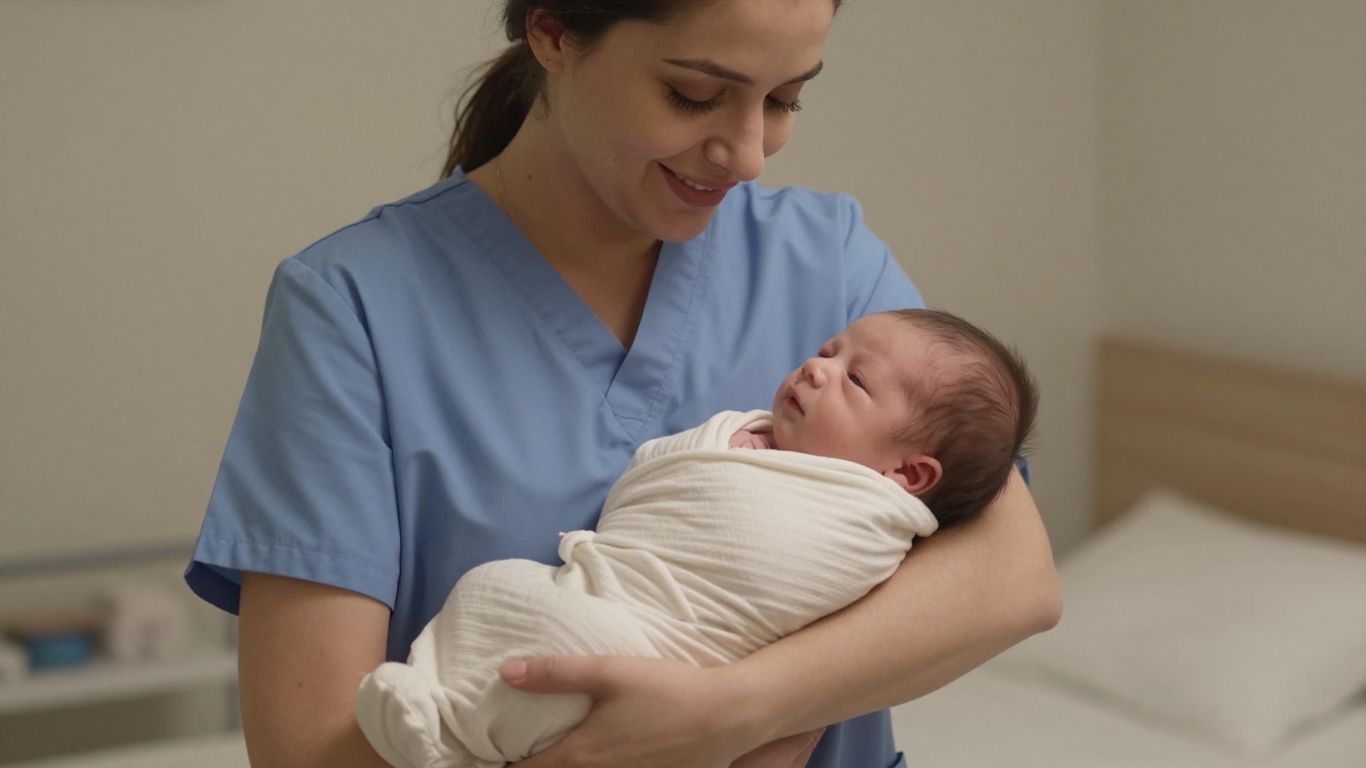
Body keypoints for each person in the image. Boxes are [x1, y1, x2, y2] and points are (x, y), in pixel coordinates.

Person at [184, 1, 1061, 766]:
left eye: (787, 98)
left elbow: (1014, 578)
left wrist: (732, 714)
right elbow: (312, 750)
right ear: (554, 31)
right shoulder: (353, 306)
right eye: (694, 94)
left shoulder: (826, 258)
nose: (750, 152)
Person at [353, 308, 1038, 768]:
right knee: (492, 587)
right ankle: (439, 711)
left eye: (855, 380)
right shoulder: (743, 433)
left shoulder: (871, 519)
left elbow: (1003, 586)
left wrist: (755, 711)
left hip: (663, 655)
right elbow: (661, 481)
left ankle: (454, 739)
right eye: (830, 350)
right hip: (609, 589)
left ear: (908, 474)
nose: (817, 367)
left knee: (562, 640)